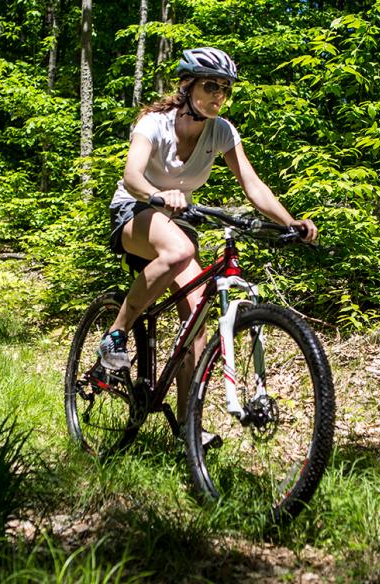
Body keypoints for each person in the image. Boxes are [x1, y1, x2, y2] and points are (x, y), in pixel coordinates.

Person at [98, 47, 318, 429]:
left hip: (177, 220)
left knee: (197, 315)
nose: (219, 95)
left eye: (225, 89)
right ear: (187, 86)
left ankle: (188, 428)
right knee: (181, 247)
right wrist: (158, 194)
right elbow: (132, 175)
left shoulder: (222, 131)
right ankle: (115, 336)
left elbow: (252, 185)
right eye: (211, 86)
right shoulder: (154, 123)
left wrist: (289, 221)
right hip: (134, 211)